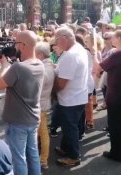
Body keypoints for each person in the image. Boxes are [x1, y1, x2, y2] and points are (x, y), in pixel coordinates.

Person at [0, 30, 45, 175]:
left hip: (18, 121)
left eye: (16, 43)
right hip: (33, 118)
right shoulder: (40, 64)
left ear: (23, 45)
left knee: (19, 159)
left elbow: (0, 84)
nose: (15, 47)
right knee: (33, 155)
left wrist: (5, 66)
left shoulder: (18, 67)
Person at [53, 28, 88, 166]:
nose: (55, 42)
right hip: (77, 96)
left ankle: (74, 156)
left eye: (57, 39)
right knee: (69, 126)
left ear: (64, 37)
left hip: (70, 99)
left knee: (70, 128)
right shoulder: (78, 48)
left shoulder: (71, 55)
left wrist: (51, 89)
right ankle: (65, 148)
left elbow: (61, 83)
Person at [95, 30, 121, 162]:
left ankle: (116, 153)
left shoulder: (117, 55)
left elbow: (98, 68)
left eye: (113, 37)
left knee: (115, 126)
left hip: (116, 97)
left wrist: (94, 54)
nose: (111, 40)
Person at [35, 42, 55, 170]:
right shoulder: (49, 65)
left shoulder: (43, 69)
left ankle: (43, 160)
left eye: (35, 54)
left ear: (40, 54)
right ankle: (42, 159)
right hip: (44, 103)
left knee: (43, 133)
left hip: (40, 105)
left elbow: (36, 89)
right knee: (41, 132)